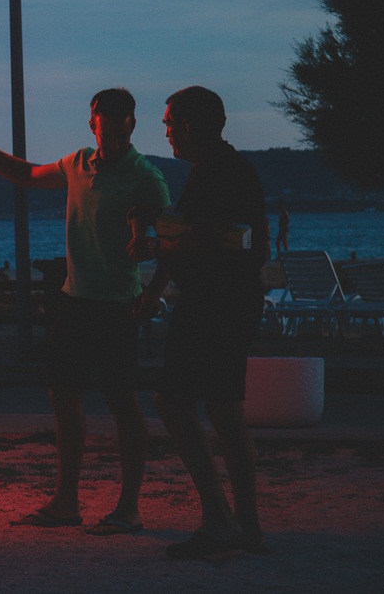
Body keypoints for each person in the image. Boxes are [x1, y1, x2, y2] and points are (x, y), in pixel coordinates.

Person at [0, 88, 170, 533]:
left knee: (123, 403)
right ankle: (66, 503)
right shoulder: (77, 163)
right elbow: (27, 174)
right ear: (92, 123)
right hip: (74, 300)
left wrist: (152, 288)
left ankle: (129, 509)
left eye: (115, 121)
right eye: (99, 120)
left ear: (130, 123)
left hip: (117, 306)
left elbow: (169, 244)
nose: (106, 128)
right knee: (63, 396)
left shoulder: (147, 178)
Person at [132, 86, 270, 559]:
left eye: (169, 123)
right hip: (236, 300)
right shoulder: (228, 168)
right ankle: (246, 524)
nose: (166, 131)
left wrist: (154, 246)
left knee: (172, 402)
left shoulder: (214, 173)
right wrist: (158, 273)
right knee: (225, 410)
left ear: (188, 126)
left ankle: (219, 520)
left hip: (213, 304)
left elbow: (204, 238)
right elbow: (200, 232)